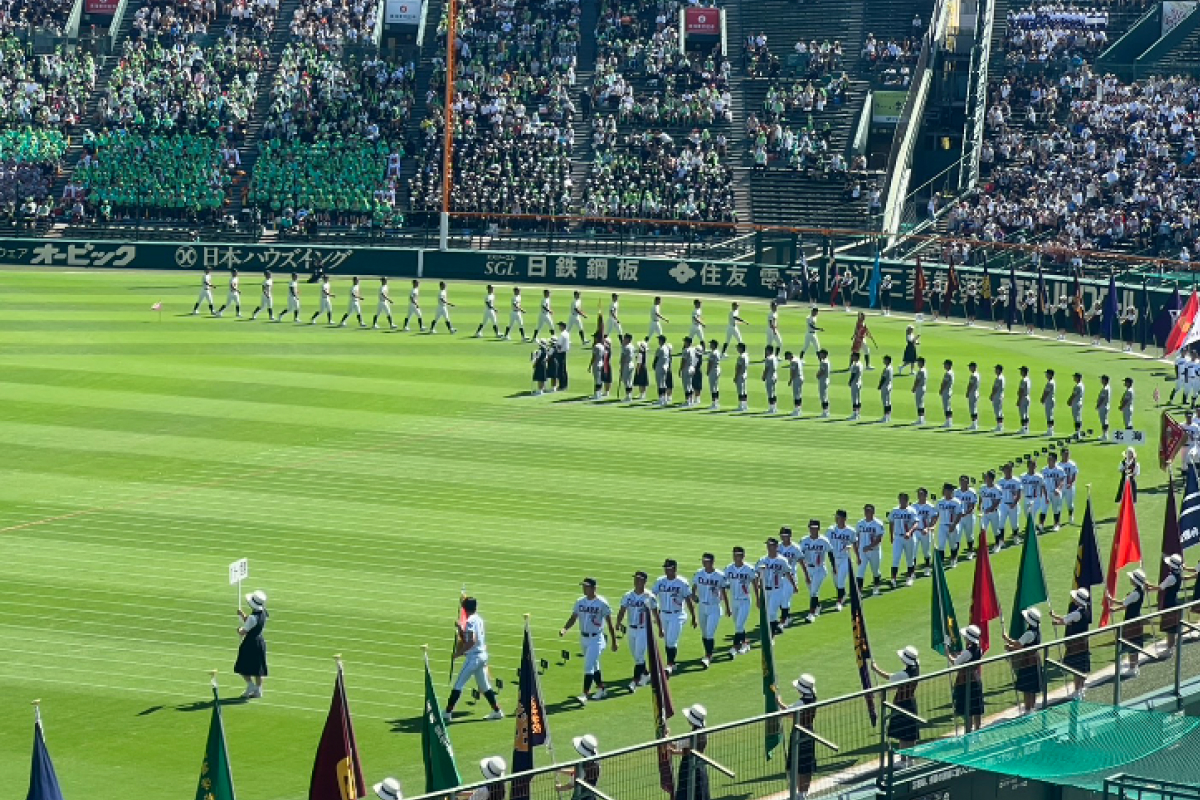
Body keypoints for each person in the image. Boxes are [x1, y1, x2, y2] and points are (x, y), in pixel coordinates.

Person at [559, 577, 618, 704]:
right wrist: (565, 628)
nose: (584, 589)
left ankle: (585, 694)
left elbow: (609, 623)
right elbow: (573, 618)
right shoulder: (580, 602)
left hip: (596, 638)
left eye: (586, 586)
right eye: (583, 586)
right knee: (594, 665)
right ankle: (601, 688)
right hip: (584, 638)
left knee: (588, 666)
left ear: (594, 588)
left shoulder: (602, 603)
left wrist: (614, 641)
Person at [444, 597, 504, 720]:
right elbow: (469, 638)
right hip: (482, 656)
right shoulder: (478, 619)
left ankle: (447, 712)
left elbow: (471, 641)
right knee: (485, 686)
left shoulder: (470, 621)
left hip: (474, 658)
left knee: (458, 684)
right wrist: (460, 629)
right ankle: (497, 711)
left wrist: (459, 653)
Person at [616, 571, 659, 690]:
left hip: (643, 629)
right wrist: (618, 623)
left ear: (644, 581)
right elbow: (622, 610)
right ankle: (646, 674)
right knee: (636, 656)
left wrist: (660, 628)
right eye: (635, 579)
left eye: (639, 579)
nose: (636, 581)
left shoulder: (649, 596)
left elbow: (655, 613)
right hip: (631, 628)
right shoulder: (628, 595)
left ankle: (634, 682)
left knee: (639, 655)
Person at [872, 646, 920, 750]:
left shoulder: (904, 674)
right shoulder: (916, 668)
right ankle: (910, 757)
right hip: (911, 703)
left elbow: (890, 677)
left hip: (902, 704)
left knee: (903, 736)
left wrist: (876, 669)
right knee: (911, 734)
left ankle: (904, 758)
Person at [653, 560, 695, 673]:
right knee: (667, 641)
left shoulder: (682, 582)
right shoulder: (660, 581)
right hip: (663, 614)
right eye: (665, 568)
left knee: (671, 640)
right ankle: (671, 662)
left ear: (675, 569)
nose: (666, 570)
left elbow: (688, 599)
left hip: (677, 614)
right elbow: (653, 595)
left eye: (669, 568)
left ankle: (670, 664)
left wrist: (693, 616)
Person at [1148, 554, 1194, 658]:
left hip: (1170, 603)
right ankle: (1170, 647)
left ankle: (1170, 649)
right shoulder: (1178, 574)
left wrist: (1148, 587)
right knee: (1172, 627)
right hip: (1174, 601)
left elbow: (1160, 588)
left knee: (1170, 628)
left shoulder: (1171, 577)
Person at [1050, 588, 1092, 699]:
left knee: (1076, 668)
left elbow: (1064, 621)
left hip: (1076, 644)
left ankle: (1077, 691)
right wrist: (1055, 617)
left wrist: (1055, 621)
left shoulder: (1077, 613)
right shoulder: (1086, 610)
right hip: (1083, 642)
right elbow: (1068, 619)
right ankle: (1081, 689)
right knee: (1081, 667)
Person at [782, 674, 818, 800]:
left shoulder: (801, 702)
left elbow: (789, 713)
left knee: (798, 765)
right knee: (806, 765)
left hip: (799, 733)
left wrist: (778, 702)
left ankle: (800, 793)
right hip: (809, 731)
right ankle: (803, 793)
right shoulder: (813, 699)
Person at [1107, 569, 1148, 677]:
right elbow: (1126, 602)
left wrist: (1113, 608)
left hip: (1131, 620)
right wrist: (1112, 601)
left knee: (1132, 644)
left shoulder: (1135, 593)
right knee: (1134, 644)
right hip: (1136, 619)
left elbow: (1124, 604)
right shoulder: (1140, 590)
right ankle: (1134, 666)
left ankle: (1132, 668)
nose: (1130, 579)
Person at [692, 553, 729, 669]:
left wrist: (728, 607)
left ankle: (708, 656)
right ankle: (707, 652)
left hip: (714, 607)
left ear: (712, 562)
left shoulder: (719, 575)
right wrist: (693, 595)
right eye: (703, 561)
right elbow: (694, 585)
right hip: (702, 606)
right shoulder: (699, 573)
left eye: (707, 561)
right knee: (704, 633)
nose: (704, 563)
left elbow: (724, 591)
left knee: (709, 633)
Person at [1004, 607, 1044, 715]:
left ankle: (1027, 710)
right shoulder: (1037, 631)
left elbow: (1018, 645)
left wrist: (1008, 643)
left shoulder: (1029, 633)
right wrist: (1009, 642)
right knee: (1033, 688)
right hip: (1035, 660)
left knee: (1027, 688)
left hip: (1027, 662)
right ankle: (1032, 708)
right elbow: (1021, 644)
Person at [758, 536, 798, 635]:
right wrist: (759, 583)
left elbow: (788, 573)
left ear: (776, 546)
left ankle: (771, 634)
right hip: (765, 590)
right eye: (768, 545)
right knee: (768, 612)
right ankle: (776, 626)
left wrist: (794, 585)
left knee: (772, 611)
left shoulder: (782, 560)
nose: (768, 547)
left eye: (771, 545)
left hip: (777, 589)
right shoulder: (763, 560)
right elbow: (757, 573)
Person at [235, 590, 269, 698]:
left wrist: (239, 630)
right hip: (260, 642)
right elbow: (251, 623)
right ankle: (258, 690)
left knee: (242, 666)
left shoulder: (252, 617)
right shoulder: (263, 613)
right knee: (258, 669)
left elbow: (244, 631)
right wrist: (243, 615)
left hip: (250, 643)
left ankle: (250, 685)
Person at [951, 624, 985, 731]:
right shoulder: (979, 649)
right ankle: (978, 730)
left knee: (968, 710)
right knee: (976, 709)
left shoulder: (967, 652)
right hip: (976, 679)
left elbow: (955, 662)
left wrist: (948, 654)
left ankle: (968, 731)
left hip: (966, 683)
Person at [725, 546, 757, 655]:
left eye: (738, 555)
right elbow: (725, 584)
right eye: (735, 555)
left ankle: (735, 647)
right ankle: (745, 643)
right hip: (734, 600)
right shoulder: (729, 568)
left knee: (739, 624)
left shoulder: (749, 569)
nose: (736, 557)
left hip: (744, 600)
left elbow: (755, 583)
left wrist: (758, 599)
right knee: (739, 625)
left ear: (743, 556)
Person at [673, 705, 710, 800]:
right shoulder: (704, 733)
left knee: (685, 793)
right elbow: (692, 751)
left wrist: (665, 736)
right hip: (700, 766)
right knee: (700, 793)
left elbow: (674, 744)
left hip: (688, 767)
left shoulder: (691, 736)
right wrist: (674, 752)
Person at [801, 521, 833, 622]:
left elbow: (830, 552)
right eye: (811, 528)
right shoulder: (804, 540)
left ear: (818, 528)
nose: (813, 530)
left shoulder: (824, 540)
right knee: (812, 591)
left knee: (813, 591)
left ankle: (811, 614)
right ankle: (818, 606)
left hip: (820, 569)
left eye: (815, 528)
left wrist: (834, 567)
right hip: (808, 569)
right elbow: (800, 555)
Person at [556, 735, 601, 800]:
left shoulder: (582, 765)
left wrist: (560, 788)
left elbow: (571, 785)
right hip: (591, 796)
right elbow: (575, 773)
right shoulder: (596, 763)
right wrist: (561, 770)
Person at [827, 510, 856, 610]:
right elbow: (828, 548)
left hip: (845, 559)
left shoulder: (851, 531)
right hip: (834, 559)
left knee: (840, 581)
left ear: (844, 519)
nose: (836, 519)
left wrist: (851, 548)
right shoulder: (830, 530)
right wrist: (833, 564)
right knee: (836, 582)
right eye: (836, 517)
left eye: (838, 517)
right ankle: (843, 594)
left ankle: (839, 602)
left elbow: (854, 542)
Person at [889, 492, 918, 588]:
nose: (901, 501)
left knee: (910, 558)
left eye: (903, 499)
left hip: (909, 538)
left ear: (907, 500)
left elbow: (916, 523)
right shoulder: (894, 511)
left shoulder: (911, 511)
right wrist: (891, 536)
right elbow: (891, 523)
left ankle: (909, 577)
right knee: (896, 558)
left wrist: (909, 532)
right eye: (900, 499)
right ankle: (893, 579)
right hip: (898, 537)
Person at [856, 503, 885, 595]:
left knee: (875, 570)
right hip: (862, 551)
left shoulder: (878, 523)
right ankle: (859, 590)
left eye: (868, 510)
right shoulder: (860, 523)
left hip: (874, 551)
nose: (866, 512)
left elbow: (879, 539)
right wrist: (857, 551)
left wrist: (869, 546)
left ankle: (876, 586)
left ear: (873, 512)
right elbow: (857, 537)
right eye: (865, 510)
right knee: (860, 571)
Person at [935, 482, 963, 566]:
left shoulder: (956, 502)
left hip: (952, 525)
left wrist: (954, 525)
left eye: (950, 491)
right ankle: (941, 562)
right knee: (941, 545)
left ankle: (953, 559)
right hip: (942, 525)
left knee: (953, 545)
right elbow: (936, 514)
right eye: (946, 490)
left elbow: (959, 514)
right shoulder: (940, 502)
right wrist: (933, 525)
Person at [997, 462, 1022, 551]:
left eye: (1009, 470)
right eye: (1006, 470)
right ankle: (1001, 540)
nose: (1008, 472)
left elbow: (1019, 494)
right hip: (1003, 504)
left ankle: (1015, 536)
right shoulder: (1000, 482)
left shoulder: (1016, 481)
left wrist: (1014, 503)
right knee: (1001, 523)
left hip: (1013, 504)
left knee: (1014, 523)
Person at [1039, 452, 1066, 531]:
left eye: (1051, 459)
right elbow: (1042, 482)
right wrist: (1042, 492)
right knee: (1043, 509)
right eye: (1048, 459)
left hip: (1055, 492)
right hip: (1046, 492)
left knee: (1056, 509)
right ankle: (1041, 525)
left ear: (1055, 460)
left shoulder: (1059, 470)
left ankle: (1056, 524)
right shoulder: (1044, 470)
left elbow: (1062, 481)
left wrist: (1058, 489)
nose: (1049, 460)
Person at [1060, 448, 1080, 523]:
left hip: (1069, 487)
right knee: (1058, 504)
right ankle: (1057, 519)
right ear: (1061, 454)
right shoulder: (1058, 465)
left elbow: (1075, 475)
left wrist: (1071, 484)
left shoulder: (1072, 464)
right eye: (1065, 454)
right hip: (1061, 487)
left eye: (1068, 454)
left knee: (1070, 504)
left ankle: (1071, 516)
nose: (1066, 456)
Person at [654, 335, 674, 406]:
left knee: (660, 384)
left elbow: (656, 359)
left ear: (661, 341)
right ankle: (665, 399)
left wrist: (654, 366)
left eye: (659, 340)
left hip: (660, 367)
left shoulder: (660, 349)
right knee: (664, 384)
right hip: (665, 367)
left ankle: (661, 399)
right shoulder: (667, 348)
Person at [589, 335, 607, 401]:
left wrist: (590, 365)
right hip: (601, 363)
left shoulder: (596, 346)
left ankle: (596, 395)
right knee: (600, 379)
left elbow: (594, 357)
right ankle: (599, 393)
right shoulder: (602, 346)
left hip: (596, 364)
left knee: (597, 380)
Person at [762, 345, 780, 414]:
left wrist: (764, 376)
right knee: (774, 392)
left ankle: (771, 409)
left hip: (769, 376)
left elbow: (766, 368)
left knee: (770, 393)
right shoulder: (775, 357)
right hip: (775, 375)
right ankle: (775, 407)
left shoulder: (768, 358)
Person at [963, 362, 980, 431]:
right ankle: (975, 424)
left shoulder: (973, 375)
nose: (969, 368)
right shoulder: (978, 375)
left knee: (972, 409)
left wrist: (967, 392)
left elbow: (970, 385)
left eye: (970, 367)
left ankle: (974, 424)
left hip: (972, 393)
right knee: (974, 408)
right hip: (976, 393)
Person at [938, 359, 955, 429]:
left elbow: (944, 383)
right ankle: (949, 421)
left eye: (945, 364)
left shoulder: (948, 373)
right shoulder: (952, 372)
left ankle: (948, 422)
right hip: (949, 390)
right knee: (949, 406)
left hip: (946, 391)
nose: (944, 366)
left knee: (946, 407)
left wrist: (941, 390)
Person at [734, 342, 750, 412]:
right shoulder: (746, 356)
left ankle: (741, 406)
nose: (737, 349)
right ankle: (745, 405)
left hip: (740, 375)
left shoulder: (741, 357)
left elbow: (739, 368)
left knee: (740, 391)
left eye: (738, 348)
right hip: (745, 374)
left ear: (741, 348)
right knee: (744, 390)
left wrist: (736, 376)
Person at [620, 335, 636, 402]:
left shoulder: (626, 347)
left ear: (627, 339)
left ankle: (628, 396)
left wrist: (621, 368)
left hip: (626, 364)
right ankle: (629, 395)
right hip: (631, 364)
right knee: (630, 380)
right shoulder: (632, 346)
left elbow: (623, 358)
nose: (623, 339)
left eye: (625, 338)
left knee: (626, 381)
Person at [912, 357, 928, 426]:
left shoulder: (920, 371)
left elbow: (917, 380)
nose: (917, 364)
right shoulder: (925, 370)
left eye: (918, 362)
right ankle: (922, 419)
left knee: (919, 403)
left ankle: (920, 419)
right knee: (921, 403)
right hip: (923, 387)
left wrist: (914, 388)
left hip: (919, 388)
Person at [879, 354, 894, 423]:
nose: (883, 361)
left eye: (884, 360)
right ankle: (889, 416)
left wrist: (879, 385)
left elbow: (883, 378)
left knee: (885, 402)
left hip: (885, 386)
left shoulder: (886, 369)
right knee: (888, 401)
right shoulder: (891, 368)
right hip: (889, 385)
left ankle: (885, 417)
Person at [990, 364, 1006, 432]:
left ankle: (999, 426)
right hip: (1001, 395)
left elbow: (995, 388)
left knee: (997, 411)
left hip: (997, 396)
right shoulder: (1003, 377)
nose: (995, 371)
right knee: (1000, 411)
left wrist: (992, 395)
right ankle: (1000, 426)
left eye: (996, 369)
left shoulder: (998, 378)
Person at [1017, 365, 1032, 435]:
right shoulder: (1028, 380)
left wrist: (1019, 400)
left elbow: (1021, 391)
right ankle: (1026, 428)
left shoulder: (1023, 380)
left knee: (1022, 414)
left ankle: (1023, 428)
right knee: (1026, 413)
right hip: (1027, 397)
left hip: (1023, 398)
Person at [1096, 374, 1112, 440]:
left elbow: (1102, 399)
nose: (1101, 380)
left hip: (1103, 406)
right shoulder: (1108, 387)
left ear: (1105, 380)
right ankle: (1105, 435)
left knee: (1104, 421)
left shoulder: (1105, 389)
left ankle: (1105, 435)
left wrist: (1098, 405)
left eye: (1102, 379)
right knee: (1105, 421)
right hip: (1105, 406)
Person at [848, 352, 863, 420]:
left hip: (855, 383)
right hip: (859, 382)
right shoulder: (860, 364)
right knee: (858, 398)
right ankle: (858, 413)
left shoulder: (855, 365)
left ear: (856, 357)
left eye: (853, 356)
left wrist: (850, 382)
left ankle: (855, 414)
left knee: (855, 399)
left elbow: (853, 375)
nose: (851, 357)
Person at [1041, 369, 1057, 437]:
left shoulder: (1050, 383)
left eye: (1047, 374)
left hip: (1049, 400)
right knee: (1050, 415)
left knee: (1049, 415)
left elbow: (1046, 392)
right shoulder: (1052, 382)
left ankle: (1050, 430)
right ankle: (1050, 429)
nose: (1046, 375)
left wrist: (1043, 399)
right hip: (1051, 400)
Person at [817, 349, 831, 418]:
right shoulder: (827, 361)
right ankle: (826, 411)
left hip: (823, 380)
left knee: (823, 397)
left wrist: (817, 375)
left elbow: (822, 371)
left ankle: (825, 412)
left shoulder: (824, 362)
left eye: (821, 354)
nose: (819, 355)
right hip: (826, 379)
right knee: (825, 396)